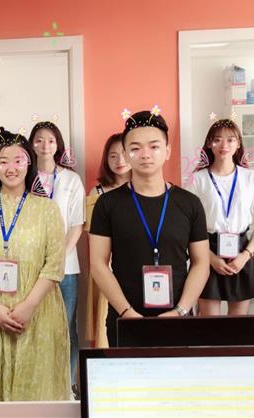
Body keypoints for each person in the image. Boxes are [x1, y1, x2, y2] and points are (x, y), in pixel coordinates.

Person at [89, 109, 210, 347]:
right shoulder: (107, 204)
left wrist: (181, 310)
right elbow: (98, 264)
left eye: (154, 146)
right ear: (126, 153)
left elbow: (201, 263)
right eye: (135, 148)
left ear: (167, 151)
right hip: (125, 318)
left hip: (177, 320)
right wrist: (126, 312)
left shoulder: (189, 203)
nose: (145, 154)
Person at [0, 127, 70, 401]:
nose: (11, 168)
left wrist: (29, 306)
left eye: (18, 160)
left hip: (39, 311)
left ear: (29, 162)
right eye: (3, 161)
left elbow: (54, 264)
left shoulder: (48, 210)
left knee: (36, 388)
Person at [29, 121, 84, 388]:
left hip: (65, 266)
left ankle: (67, 383)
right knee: (35, 326)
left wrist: (57, 258)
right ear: (31, 145)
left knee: (66, 325)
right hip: (32, 267)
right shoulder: (25, 178)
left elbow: (76, 224)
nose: (45, 145)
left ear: (58, 145)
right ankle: (40, 384)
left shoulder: (71, 179)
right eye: (39, 140)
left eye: (50, 140)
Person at [191, 117, 254, 316]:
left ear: (238, 144)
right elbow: (189, 227)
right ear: (209, 144)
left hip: (242, 251)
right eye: (217, 139)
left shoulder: (251, 178)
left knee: (237, 326)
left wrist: (245, 256)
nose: (224, 145)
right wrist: (210, 258)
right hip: (207, 250)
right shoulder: (197, 179)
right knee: (209, 323)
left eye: (230, 140)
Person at [84, 132, 131, 348]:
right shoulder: (97, 192)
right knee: (105, 327)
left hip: (133, 267)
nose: (120, 160)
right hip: (105, 266)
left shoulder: (143, 188)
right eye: (113, 156)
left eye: (124, 153)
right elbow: (92, 235)